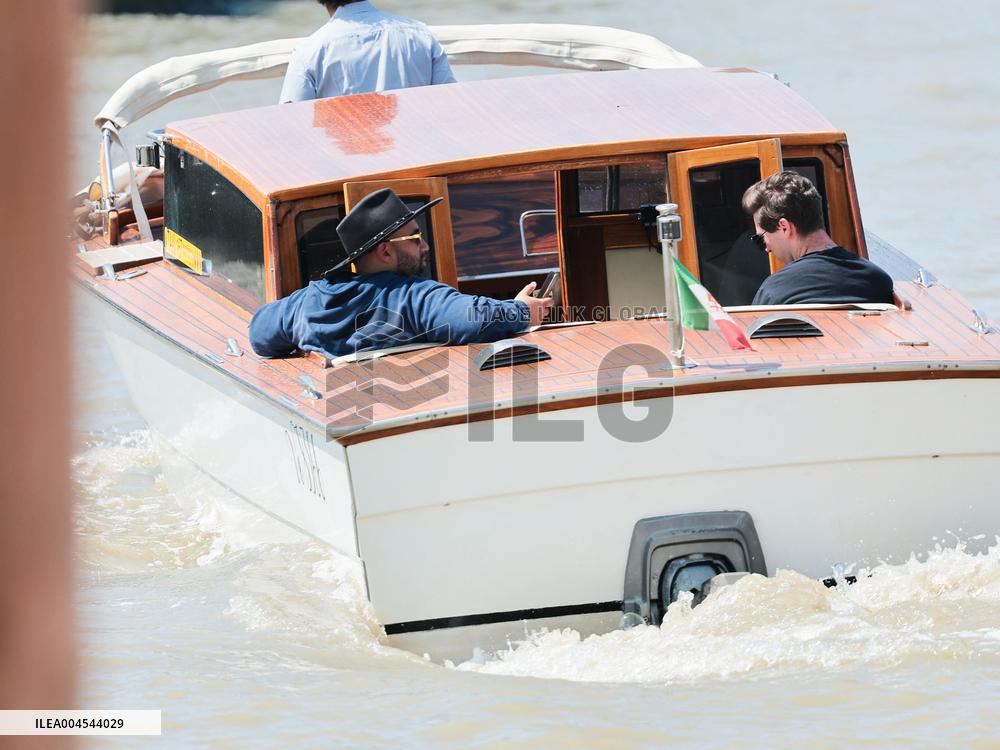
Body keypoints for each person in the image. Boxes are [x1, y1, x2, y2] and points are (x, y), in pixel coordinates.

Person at [249, 188, 553, 358]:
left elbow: (259, 333)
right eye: (415, 238)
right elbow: (470, 318)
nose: (425, 247)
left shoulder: (311, 298)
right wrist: (522, 310)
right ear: (385, 251)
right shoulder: (412, 298)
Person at [742, 171, 894, 306]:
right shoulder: (879, 280)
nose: (766, 248)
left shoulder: (774, 292)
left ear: (784, 227)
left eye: (761, 238)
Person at [279, 0, 456, 103]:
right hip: (419, 158)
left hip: (348, 162)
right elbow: (450, 103)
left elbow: (293, 123)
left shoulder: (309, 52)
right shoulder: (420, 34)